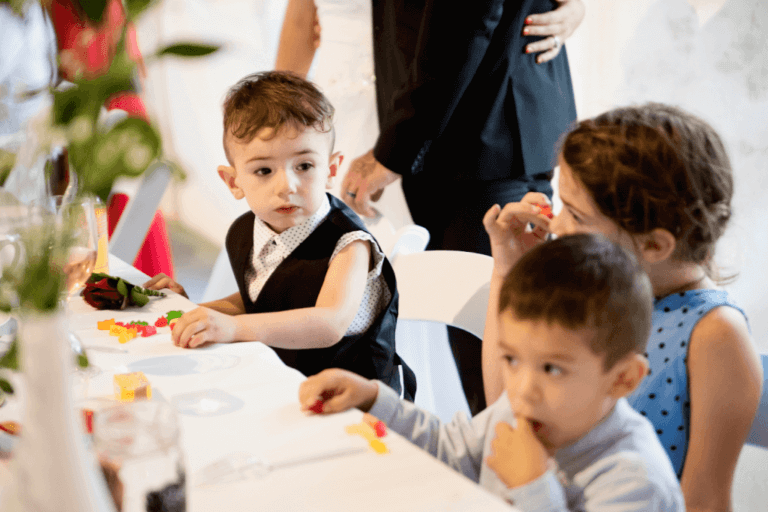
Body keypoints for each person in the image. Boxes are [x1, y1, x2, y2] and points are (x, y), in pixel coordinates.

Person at [482, 103, 764, 511]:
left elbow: (704, 499)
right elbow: (505, 408)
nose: (557, 226)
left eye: (576, 216)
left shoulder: (715, 335)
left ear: (654, 245)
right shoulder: (594, 291)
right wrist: (507, 270)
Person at [299, 233, 684, 511]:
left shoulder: (635, 481)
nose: (522, 389)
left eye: (552, 368)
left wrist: (533, 488)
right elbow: (450, 451)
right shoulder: (520, 413)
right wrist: (373, 398)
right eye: (512, 360)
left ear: (623, 379)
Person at [144, 71, 415, 399]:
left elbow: (329, 323)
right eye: (263, 171)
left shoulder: (349, 244)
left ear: (330, 170)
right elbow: (263, 300)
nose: (286, 185)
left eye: (304, 166)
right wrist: (196, 312)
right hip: (282, 383)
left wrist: (232, 328)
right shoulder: (246, 232)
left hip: (351, 401)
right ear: (234, 182)